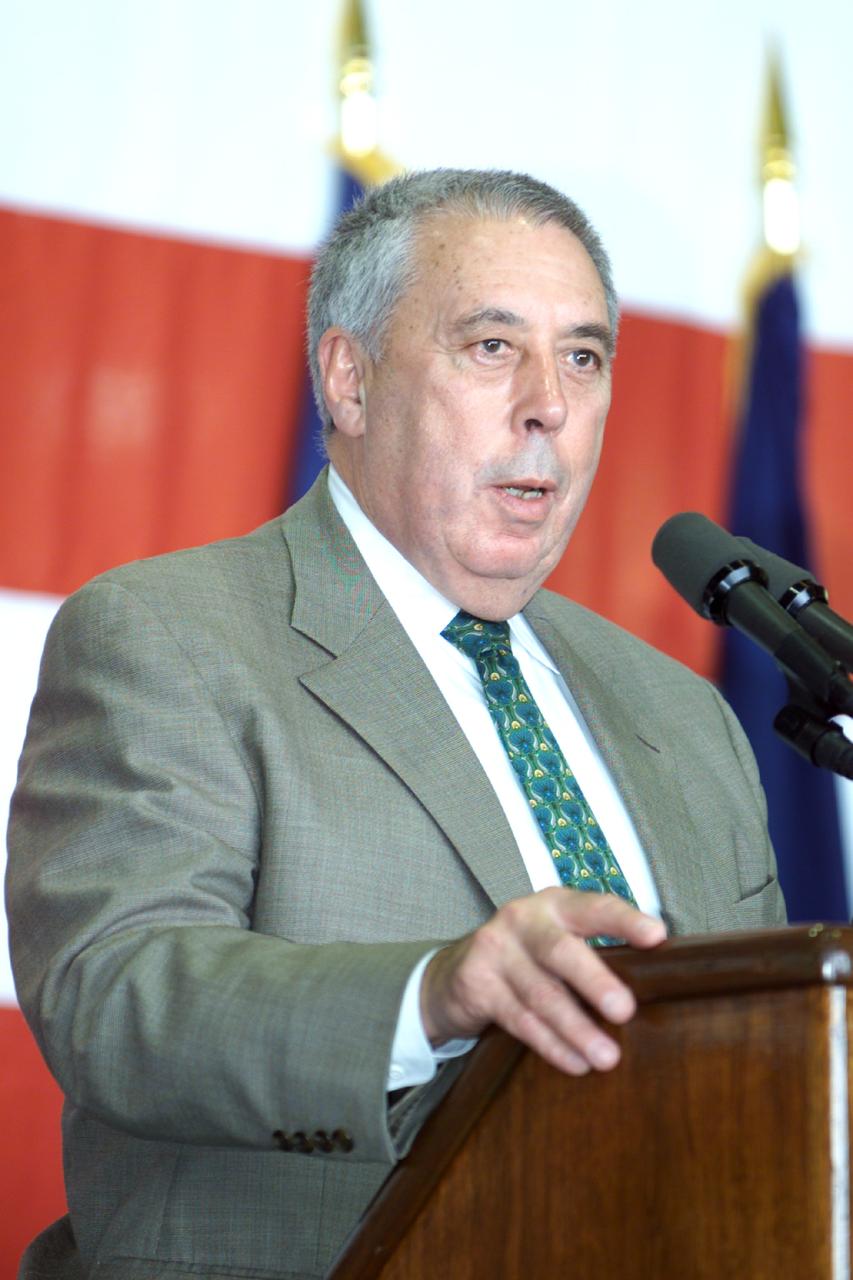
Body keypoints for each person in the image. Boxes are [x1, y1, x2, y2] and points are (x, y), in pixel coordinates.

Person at [7, 168, 786, 1280]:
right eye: (489, 347)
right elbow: (116, 996)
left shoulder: (685, 715)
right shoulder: (170, 636)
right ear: (350, 377)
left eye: (582, 355)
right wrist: (436, 991)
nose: (548, 406)